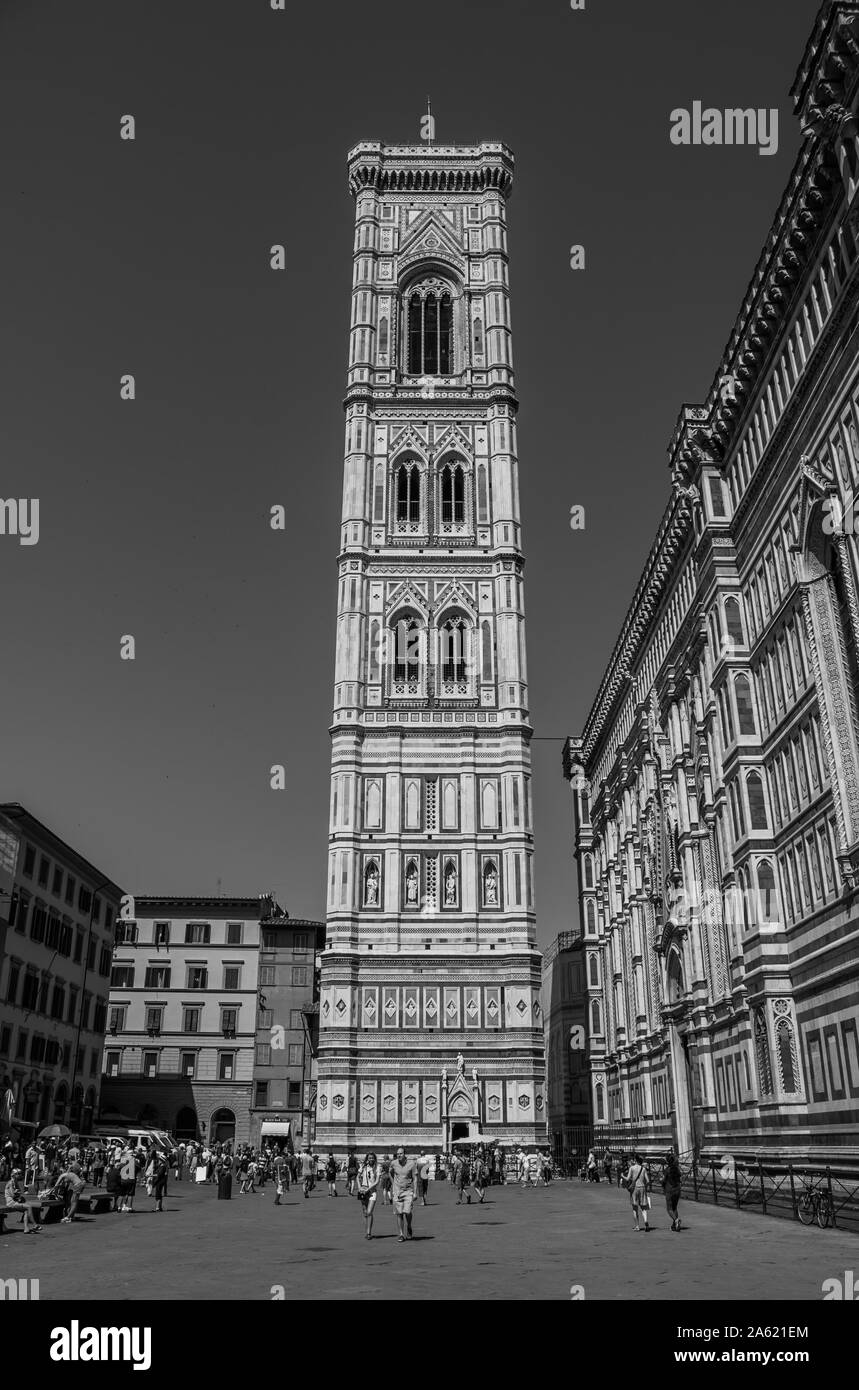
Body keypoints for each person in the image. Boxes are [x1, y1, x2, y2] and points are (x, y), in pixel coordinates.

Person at [389, 1145, 417, 1241]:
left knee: (407, 1211)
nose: (399, 1155)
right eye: (398, 1154)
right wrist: (393, 1184)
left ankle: (409, 1225)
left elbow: (415, 1178)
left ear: (405, 1154)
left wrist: (415, 1192)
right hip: (397, 1191)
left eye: (401, 1153)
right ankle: (401, 1234)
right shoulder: (393, 1163)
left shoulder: (412, 1163)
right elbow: (390, 1173)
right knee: (399, 1213)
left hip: (408, 1190)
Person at [4, 1169, 41, 1233]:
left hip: (15, 1202)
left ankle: (26, 1229)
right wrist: (17, 1192)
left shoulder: (15, 1182)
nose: (20, 1175)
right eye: (18, 1174)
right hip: (11, 1203)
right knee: (28, 1207)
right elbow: (12, 1195)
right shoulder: (10, 1183)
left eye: (20, 1174)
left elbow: (18, 1193)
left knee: (26, 1211)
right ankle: (35, 1225)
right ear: (14, 1175)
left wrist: (18, 1194)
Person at [626, 1151, 650, 1232]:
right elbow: (648, 1180)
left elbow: (627, 1178)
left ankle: (637, 1226)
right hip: (642, 1187)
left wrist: (622, 1175)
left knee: (635, 1208)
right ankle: (646, 1221)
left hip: (635, 1188)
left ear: (635, 1160)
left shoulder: (632, 1168)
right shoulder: (643, 1169)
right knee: (643, 1208)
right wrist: (645, 1186)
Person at [357, 1152, 380, 1239]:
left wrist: (369, 1188)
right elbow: (357, 1177)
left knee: (369, 1212)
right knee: (365, 1212)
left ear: (374, 1159)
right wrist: (359, 1187)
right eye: (369, 1158)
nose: (371, 1159)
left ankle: (369, 1233)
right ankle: (367, 1230)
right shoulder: (363, 1167)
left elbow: (377, 1181)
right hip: (363, 1191)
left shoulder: (378, 1167)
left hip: (372, 1192)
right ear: (367, 1159)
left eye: (372, 1158)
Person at [662, 1146, 683, 1231]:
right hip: (677, 1189)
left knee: (669, 1209)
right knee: (675, 1208)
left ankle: (676, 1220)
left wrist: (661, 1180)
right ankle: (674, 1225)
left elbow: (663, 1180)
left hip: (669, 1190)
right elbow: (680, 1179)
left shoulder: (667, 1170)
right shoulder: (677, 1169)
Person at [119, 1144, 137, 1213]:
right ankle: (129, 1208)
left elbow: (119, 1168)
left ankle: (119, 1207)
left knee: (122, 1194)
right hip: (131, 1179)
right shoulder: (134, 1160)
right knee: (130, 1194)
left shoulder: (123, 1159)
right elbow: (138, 1169)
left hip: (123, 1179)